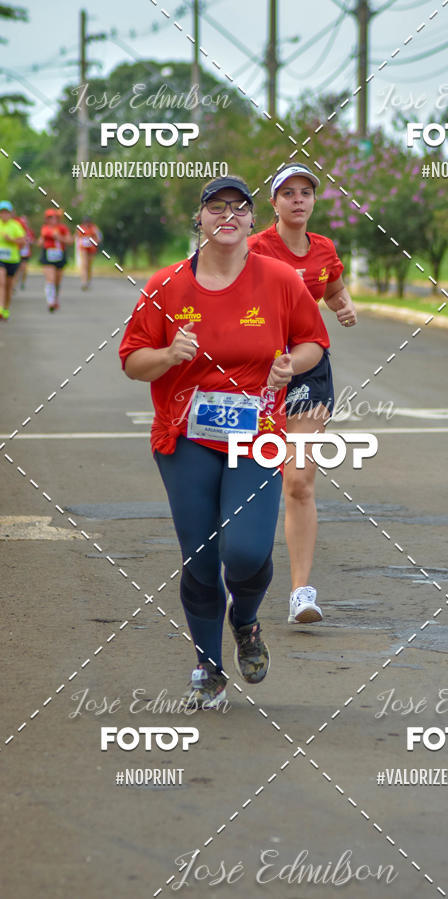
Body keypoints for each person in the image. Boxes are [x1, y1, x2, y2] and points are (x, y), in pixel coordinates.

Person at [119, 176, 329, 708]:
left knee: (246, 552)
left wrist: (290, 364)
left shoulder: (280, 279)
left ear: (252, 221)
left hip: (255, 436)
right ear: (201, 218)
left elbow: (313, 341)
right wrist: (168, 357)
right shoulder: (166, 287)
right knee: (200, 557)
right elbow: (131, 361)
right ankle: (208, 668)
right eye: (217, 208)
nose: (228, 216)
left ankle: (247, 619)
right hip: (185, 437)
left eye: (239, 208)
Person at [248, 163, 357, 625]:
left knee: (298, 479)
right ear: (272, 203)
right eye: (287, 192)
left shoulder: (324, 249)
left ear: (314, 201)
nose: (298, 199)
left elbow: (332, 289)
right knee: (248, 482)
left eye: (306, 192)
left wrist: (343, 305)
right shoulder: (252, 249)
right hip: (250, 371)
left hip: (306, 371)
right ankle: (238, 580)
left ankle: (301, 592)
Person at [38, 208, 72, 312]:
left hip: (60, 256)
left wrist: (59, 238)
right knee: (50, 279)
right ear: (46, 219)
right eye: (50, 218)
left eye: (54, 217)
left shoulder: (62, 228)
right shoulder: (45, 228)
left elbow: (69, 241)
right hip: (48, 256)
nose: (52, 220)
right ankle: (50, 302)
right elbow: (41, 240)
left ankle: (55, 298)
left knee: (57, 281)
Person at [0, 200, 26, 320]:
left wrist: (10, 239)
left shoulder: (15, 225)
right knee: (1, 282)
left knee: (9, 286)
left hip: (12, 259)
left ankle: (6, 308)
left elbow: (23, 241)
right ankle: (0, 307)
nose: (4, 214)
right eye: (2, 212)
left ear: (11, 214)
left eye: (6, 212)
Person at [76, 215, 102, 289]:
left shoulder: (94, 228)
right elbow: (77, 237)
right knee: (84, 264)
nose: (86, 224)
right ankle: (84, 282)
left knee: (89, 265)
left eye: (88, 222)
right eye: (85, 222)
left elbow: (99, 237)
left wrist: (95, 242)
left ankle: (89, 280)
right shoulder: (80, 228)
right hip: (83, 248)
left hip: (92, 248)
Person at [14, 213, 35, 291]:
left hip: (25, 253)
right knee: (17, 269)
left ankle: (22, 282)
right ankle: (14, 285)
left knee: (24, 269)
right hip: (17, 252)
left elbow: (33, 241)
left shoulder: (30, 231)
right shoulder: (16, 229)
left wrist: (29, 242)